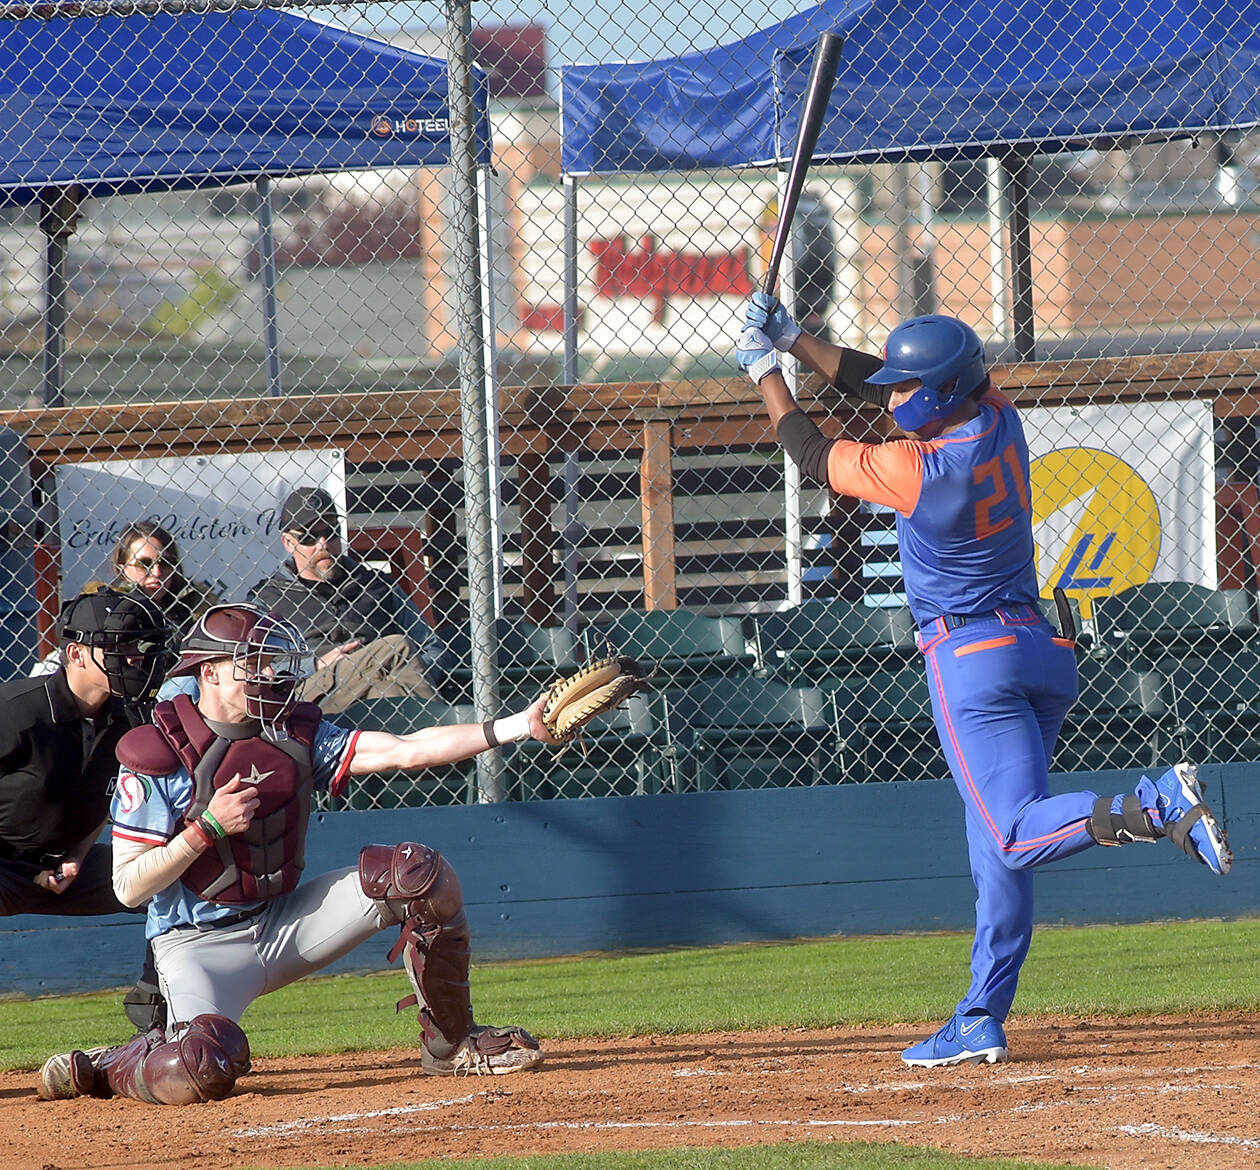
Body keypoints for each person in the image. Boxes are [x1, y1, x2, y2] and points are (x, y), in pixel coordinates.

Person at [736, 297, 1233, 1067]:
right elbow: (879, 381)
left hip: (973, 664)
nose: (894, 398)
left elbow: (810, 452)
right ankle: (979, 1016)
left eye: (910, 391)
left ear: (938, 395)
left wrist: (768, 372)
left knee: (1009, 831)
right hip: (1039, 649)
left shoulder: (921, 470)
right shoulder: (997, 415)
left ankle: (1153, 804)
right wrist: (797, 340)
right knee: (999, 847)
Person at [37, 603, 555, 1105]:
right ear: (210, 672)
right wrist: (205, 828)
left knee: (417, 874)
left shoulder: (291, 732)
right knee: (194, 1070)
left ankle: (453, 1046)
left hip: (284, 922)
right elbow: (128, 888)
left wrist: (517, 726)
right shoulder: (157, 753)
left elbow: (403, 747)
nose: (269, 675)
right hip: (197, 947)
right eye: (252, 663)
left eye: (270, 662)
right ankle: (108, 1064)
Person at [0, 588, 176, 1033]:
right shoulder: (17, 712)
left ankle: (163, 1024)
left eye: (138, 647)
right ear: (75, 653)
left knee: (169, 883)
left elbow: (110, 792)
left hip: (63, 867)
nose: (134, 658)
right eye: (118, 647)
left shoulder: (131, 717)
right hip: (4, 865)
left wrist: (78, 851)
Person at [249, 487, 453, 714]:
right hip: (313, 694)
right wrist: (315, 665)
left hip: (383, 685)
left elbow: (431, 647)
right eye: (308, 536)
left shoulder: (376, 585)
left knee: (389, 689)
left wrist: (401, 670)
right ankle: (450, 737)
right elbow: (255, 671)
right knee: (396, 646)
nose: (323, 544)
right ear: (288, 542)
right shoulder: (267, 599)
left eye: (331, 532)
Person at [105, 521, 220, 640]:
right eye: (144, 564)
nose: (157, 573)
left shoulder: (197, 608)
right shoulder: (111, 614)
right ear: (122, 568)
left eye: (166, 563)